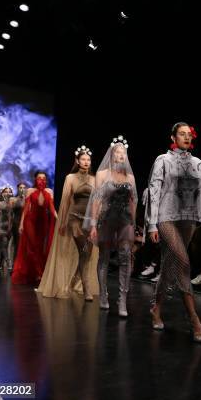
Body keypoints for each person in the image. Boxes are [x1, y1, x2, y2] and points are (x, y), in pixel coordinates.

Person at [145, 123, 201, 342]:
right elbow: (154, 191)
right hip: (166, 217)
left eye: (189, 134)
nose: (186, 137)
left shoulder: (198, 164)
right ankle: (195, 322)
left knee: (170, 263)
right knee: (183, 262)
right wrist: (151, 224)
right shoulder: (163, 160)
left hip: (189, 218)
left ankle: (156, 308)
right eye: (182, 134)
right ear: (173, 137)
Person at [37, 146, 100, 299]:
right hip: (75, 220)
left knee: (87, 255)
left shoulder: (95, 179)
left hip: (89, 221)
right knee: (84, 251)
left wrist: (96, 222)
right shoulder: (70, 178)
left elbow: (97, 202)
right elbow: (65, 201)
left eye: (88, 160)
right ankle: (86, 290)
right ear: (77, 161)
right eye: (83, 159)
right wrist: (63, 222)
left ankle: (74, 282)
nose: (86, 162)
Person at [85, 136, 137, 317]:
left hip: (124, 220)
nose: (121, 155)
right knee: (104, 257)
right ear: (111, 155)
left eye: (123, 153)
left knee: (125, 257)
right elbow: (97, 199)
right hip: (106, 219)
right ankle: (104, 296)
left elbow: (133, 201)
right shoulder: (102, 174)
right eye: (117, 152)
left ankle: (122, 300)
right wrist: (92, 225)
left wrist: (134, 223)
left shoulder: (130, 176)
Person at [12, 171, 57, 285]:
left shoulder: (49, 191)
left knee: (41, 246)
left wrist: (58, 218)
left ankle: (38, 272)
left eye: (44, 178)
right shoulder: (30, 191)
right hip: (31, 221)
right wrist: (21, 224)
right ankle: (38, 273)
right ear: (35, 179)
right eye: (39, 178)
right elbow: (26, 209)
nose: (41, 180)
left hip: (43, 222)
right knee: (33, 246)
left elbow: (52, 208)